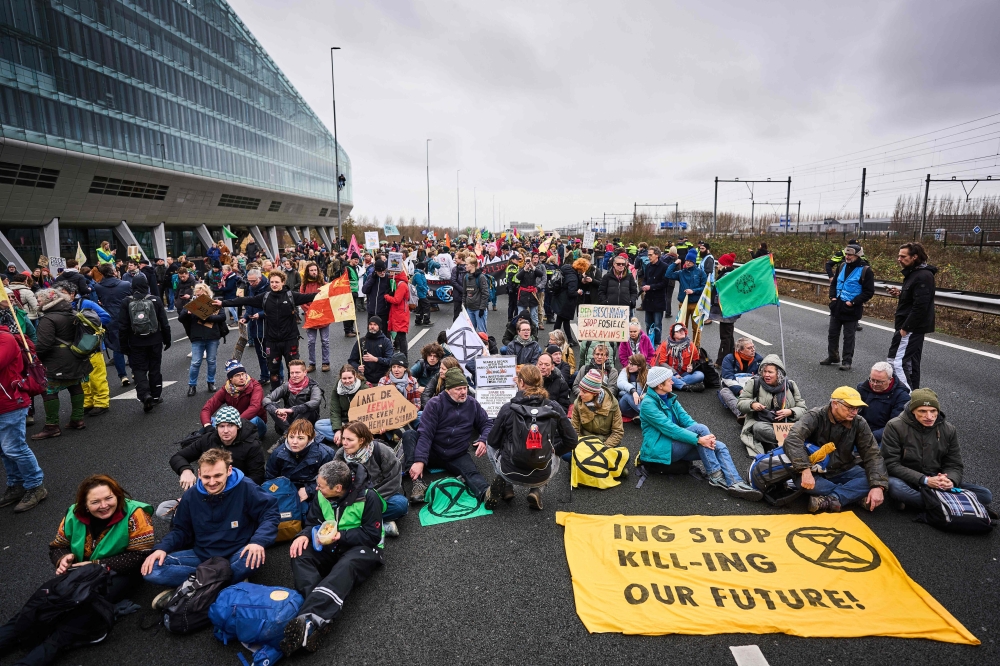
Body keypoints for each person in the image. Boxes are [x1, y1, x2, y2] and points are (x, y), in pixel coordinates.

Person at [0, 475, 153, 665]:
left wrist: (96, 565)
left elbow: (142, 556)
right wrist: (62, 559)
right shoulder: (73, 513)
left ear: (118, 495)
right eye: (95, 502)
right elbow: (57, 546)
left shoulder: (135, 514)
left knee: (77, 617)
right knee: (36, 608)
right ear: (85, 504)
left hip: (120, 574)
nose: (104, 505)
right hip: (79, 573)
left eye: (109, 498)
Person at [143, 447, 279, 598]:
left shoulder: (246, 487)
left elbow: (270, 513)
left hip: (236, 552)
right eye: (207, 477)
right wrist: (162, 548)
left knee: (253, 558)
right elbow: (180, 530)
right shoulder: (190, 496)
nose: (212, 482)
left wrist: (258, 541)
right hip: (203, 555)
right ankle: (223, 586)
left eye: (218, 475)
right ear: (199, 474)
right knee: (152, 569)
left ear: (229, 470)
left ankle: (192, 590)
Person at [282, 460, 383, 655]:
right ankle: (313, 621)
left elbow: (372, 536)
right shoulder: (321, 494)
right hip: (330, 544)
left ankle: (310, 620)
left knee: (346, 565)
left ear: (338, 488)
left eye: (320, 486)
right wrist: (303, 535)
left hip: (362, 547)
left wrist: (341, 536)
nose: (316, 488)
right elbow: (313, 521)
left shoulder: (370, 498)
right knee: (299, 553)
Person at [638, 366, 762, 500]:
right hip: (660, 449)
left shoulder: (670, 398)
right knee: (701, 430)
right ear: (660, 385)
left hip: (674, 444)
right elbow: (670, 429)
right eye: (669, 380)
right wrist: (699, 439)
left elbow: (688, 421)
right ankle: (715, 475)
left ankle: (735, 482)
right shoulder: (648, 404)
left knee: (719, 446)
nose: (673, 382)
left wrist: (706, 439)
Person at [881, 388, 994, 512]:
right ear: (913, 411)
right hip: (908, 479)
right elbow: (891, 464)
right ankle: (955, 505)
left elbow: (954, 464)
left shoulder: (948, 429)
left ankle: (926, 504)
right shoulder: (895, 426)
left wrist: (950, 480)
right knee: (896, 488)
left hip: (937, 479)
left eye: (933, 411)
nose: (929, 416)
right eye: (922, 411)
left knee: (985, 494)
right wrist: (925, 480)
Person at [485, 365, 577, 511]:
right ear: (540, 382)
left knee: (488, 442)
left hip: (510, 471)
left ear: (520, 383)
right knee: (554, 454)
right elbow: (572, 440)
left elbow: (492, 441)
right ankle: (537, 490)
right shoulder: (554, 407)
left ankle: (506, 485)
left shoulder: (508, 408)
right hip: (542, 473)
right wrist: (554, 450)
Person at [783, 387, 888, 514]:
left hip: (844, 468)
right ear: (835, 404)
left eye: (857, 408)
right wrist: (804, 469)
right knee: (806, 484)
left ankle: (832, 499)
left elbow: (873, 454)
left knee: (877, 481)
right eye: (850, 407)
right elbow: (792, 439)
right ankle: (854, 497)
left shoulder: (859, 422)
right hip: (815, 470)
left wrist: (878, 486)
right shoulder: (815, 416)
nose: (854, 412)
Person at [403, 367, 493, 503]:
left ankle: (487, 495)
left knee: (472, 473)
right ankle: (418, 484)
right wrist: (419, 461)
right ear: (448, 389)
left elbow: (487, 424)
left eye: (465, 388)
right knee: (409, 435)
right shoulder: (434, 404)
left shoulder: (472, 403)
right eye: (458, 389)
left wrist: (483, 439)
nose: (463, 392)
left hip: (456, 453)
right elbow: (426, 434)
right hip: (433, 451)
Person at [218, 271, 318, 390]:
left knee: (294, 369)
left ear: (282, 282)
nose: (274, 284)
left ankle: (295, 391)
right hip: (272, 341)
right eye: (272, 282)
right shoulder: (265, 297)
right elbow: (245, 300)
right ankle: (276, 393)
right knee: (273, 371)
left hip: (290, 340)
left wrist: (327, 292)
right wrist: (222, 303)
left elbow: (311, 297)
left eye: (277, 282)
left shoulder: (291, 296)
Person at [0, 306, 47, 512]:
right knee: (4, 450)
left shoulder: (5, 339)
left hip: (11, 401)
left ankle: (35, 486)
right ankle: (16, 484)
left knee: (13, 447)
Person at [32, 289, 93, 439]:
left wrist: (35, 357)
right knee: (75, 385)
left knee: (49, 391)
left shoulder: (49, 319)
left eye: (39, 300)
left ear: (47, 301)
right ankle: (77, 419)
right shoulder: (72, 312)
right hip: (76, 355)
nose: (37, 303)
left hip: (56, 361)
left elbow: (44, 344)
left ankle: (52, 426)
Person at [333, 421, 406, 536]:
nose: (344, 443)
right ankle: (378, 525)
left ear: (361, 440)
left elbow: (394, 479)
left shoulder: (380, 450)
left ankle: (355, 524)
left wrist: (372, 500)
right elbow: (336, 481)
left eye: (350, 440)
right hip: (353, 499)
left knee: (400, 505)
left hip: (382, 496)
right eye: (343, 438)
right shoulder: (341, 455)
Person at [52, 281, 112, 418]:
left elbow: (106, 317)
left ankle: (101, 402)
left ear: (72, 294)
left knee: (97, 376)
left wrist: (85, 323)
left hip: (90, 346)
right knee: (82, 378)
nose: (59, 296)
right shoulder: (60, 307)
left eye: (63, 293)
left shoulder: (86, 304)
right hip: (74, 348)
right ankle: (87, 402)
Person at [885, 242, 936, 390]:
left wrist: (906, 328)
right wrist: (901, 294)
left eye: (903, 256)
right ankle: (915, 396)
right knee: (911, 363)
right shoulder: (914, 273)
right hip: (911, 325)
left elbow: (921, 306)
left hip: (910, 327)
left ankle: (907, 398)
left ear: (915, 257)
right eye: (898, 256)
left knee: (896, 361)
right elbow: (916, 298)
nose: (899, 259)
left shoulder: (923, 276)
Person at [117, 273, 171, 413]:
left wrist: (123, 345)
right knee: (154, 368)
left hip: (135, 342)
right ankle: (156, 395)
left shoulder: (126, 302)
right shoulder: (155, 300)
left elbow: (122, 326)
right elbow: (164, 323)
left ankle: (144, 394)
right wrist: (167, 339)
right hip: (155, 340)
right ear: (146, 286)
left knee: (139, 369)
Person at [736, 354, 808, 455]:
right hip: (763, 422)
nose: (766, 375)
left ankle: (779, 443)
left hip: (786, 423)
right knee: (758, 429)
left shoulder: (790, 385)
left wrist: (791, 412)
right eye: (764, 371)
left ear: (778, 373)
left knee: (809, 427)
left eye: (770, 372)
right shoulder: (754, 383)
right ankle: (791, 443)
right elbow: (741, 402)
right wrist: (752, 404)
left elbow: (803, 408)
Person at [820, 245, 874, 372]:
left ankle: (847, 361)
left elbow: (869, 292)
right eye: (846, 254)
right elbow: (834, 284)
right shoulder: (842, 266)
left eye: (850, 255)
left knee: (848, 337)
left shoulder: (866, 270)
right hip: (837, 306)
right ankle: (833, 356)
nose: (847, 257)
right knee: (832, 334)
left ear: (858, 256)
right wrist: (832, 297)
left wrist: (853, 302)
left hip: (852, 309)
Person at [265, 418, 335, 507]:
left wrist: (309, 490)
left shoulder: (325, 453)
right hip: (287, 489)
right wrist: (280, 492)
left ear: (310, 439)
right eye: (291, 437)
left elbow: (330, 481)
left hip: (314, 489)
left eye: (300, 438)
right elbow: (270, 477)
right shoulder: (278, 453)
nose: (294, 442)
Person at [178, 283, 226, 396]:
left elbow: (222, 317)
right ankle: (192, 385)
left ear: (207, 294)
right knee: (195, 362)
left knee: (211, 361)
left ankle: (211, 382)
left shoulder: (214, 303)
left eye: (201, 294)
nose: (199, 297)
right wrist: (187, 312)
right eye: (197, 294)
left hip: (212, 336)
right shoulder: (193, 304)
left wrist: (206, 317)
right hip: (197, 336)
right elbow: (181, 318)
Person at [201, 360, 267, 438]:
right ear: (230, 379)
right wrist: (207, 425)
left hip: (253, 422)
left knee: (254, 420)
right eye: (237, 375)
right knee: (210, 420)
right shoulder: (226, 389)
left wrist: (235, 423)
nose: (242, 377)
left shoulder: (255, 386)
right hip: (233, 423)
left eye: (243, 374)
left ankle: (232, 439)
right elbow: (207, 408)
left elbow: (254, 407)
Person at [93, 264, 133, 387]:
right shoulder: (125, 284)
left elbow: (96, 302)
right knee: (131, 345)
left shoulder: (98, 287)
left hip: (110, 319)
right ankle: (135, 372)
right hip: (126, 317)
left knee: (117, 348)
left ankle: (123, 376)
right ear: (114, 272)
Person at [264, 359, 323, 436]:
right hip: (289, 418)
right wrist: (276, 411)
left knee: (309, 407)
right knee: (271, 404)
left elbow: (316, 401)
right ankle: (290, 431)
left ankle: (289, 433)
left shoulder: (313, 387)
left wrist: (293, 410)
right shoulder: (286, 386)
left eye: (297, 372)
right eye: (292, 373)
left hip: (306, 420)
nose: (294, 375)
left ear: (305, 372)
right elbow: (266, 399)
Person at [855, 362, 910, 444]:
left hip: (883, 436)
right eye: (872, 380)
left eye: (880, 382)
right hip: (861, 430)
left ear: (890, 380)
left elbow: (895, 426)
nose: (874, 384)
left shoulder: (902, 397)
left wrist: (869, 436)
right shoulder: (862, 388)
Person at [315, 365, 371, 445]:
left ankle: (344, 439)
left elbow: (368, 411)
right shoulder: (337, 388)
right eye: (344, 378)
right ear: (340, 378)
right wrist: (337, 430)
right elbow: (335, 411)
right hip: (344, 421)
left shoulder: (364, 388)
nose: (347, 381)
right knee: (318, 424)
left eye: (350, 378)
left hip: (359, 422)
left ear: (355, 376)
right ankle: (349, 440)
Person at [572, 368, 625, 446]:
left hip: (605, 441)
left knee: (626, 457)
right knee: (566, 454)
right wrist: (582, 446)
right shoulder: (578, 403)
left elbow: (617, 432)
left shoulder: (612, 404)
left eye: (584, 392)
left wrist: (603, 448)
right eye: (580, 390)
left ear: (595, 393)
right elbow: (574, 429)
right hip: (584, 441)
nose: (580, 394)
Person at [664, 249, 708, 338]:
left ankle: (696, 348)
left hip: (696, 304)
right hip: (683, 303)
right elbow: (668, 274)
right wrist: (675, 263)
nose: (688, 263)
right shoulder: (681, 273)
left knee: (696, 328)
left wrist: (694, 291)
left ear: (694, 262)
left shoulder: (700, 273)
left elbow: (705, 287)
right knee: (682, 327)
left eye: (691, 261)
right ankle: (684, 345)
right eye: (687, 261)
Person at [717, 337, 762, 418]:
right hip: (735, 389)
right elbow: (727, 378)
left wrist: (751, 390)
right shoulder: (729, 359)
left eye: (753, 347)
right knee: (724, 392)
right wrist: (740, 391)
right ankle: (742, 414)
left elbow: (761, 377)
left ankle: (761, 411)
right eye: (749, 348)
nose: (753, 350)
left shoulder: (759, 360)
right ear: (740, 350)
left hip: (752, 388)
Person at [653, 322, 704, 392]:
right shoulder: (666, 345)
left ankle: (675, 383)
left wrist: (692, 366)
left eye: (683, 330)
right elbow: (662, 362)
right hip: (670, 373)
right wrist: (675, 373)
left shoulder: (691, 345)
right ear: (673, 335)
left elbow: (696, 360)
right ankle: (685, 386)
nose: (682, 332)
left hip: (685, 373)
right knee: (663, 376)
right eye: (678, 331)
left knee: (700, 375)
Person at [708, 253, 740, 365]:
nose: (717, 266)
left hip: (727, 310)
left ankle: (723, 360)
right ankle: (731, 357)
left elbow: (724, 293)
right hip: (730, 309)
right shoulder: (730, 274)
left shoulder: (726, 276)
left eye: (719, 264)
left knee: (725, 336)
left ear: (725, 265)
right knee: (729, 335)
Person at [300, 262, 330, 373]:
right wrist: (309, 310)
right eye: (311, 270)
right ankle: (312, 364)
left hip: (323, 317)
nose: (314, 272)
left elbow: (328, 299)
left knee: (325, 341)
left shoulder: (324, 284)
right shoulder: (304, 286)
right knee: (311, 341)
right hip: (310, 317)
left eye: (315, 270)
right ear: (308, 272)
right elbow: (301, 300)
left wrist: (320, 310)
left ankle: (326, 363)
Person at [348, 315, 394, 385]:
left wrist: (376, 359)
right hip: (365, 379)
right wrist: (357, 367)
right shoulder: (361, 341)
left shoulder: (386, 342)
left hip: (383, 379)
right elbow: (351, 360)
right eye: (370, 324)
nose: (372, 327)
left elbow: (390, 361)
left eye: (375, 324)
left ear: (379, 327)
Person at [550, 256, 583, 345]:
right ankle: (554, 340)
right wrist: (578, 292)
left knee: (564, 320)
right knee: (561, 320)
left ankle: (569, 339)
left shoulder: (568, 270)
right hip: (566, 302)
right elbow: (571, 292)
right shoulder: (573, 277)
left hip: (560, 298)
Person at [640, 247, 668, 344]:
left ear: (657, 255)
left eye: (650, 255)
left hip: (658, 299)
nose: (649, 257)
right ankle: (649, 343)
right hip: (648, 299)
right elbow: (645, 278)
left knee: (657, 325)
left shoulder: (664, 267)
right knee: (648, 323)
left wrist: (651, 287)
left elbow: (664, 283)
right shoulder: (648, 266)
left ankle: (656, 343)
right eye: (648, 255)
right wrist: (643, 285)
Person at [383, 268, 411, 355]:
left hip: (400, 312)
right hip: (400, 311)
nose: (390, 273)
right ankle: (403, 355)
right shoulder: (399, 283)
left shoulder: (401, 285)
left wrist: (387, 296)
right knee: (400, 335)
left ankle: (404, 356)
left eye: (392, 272)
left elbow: (396, 300)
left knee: (401, 336)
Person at [617, 353, 649, 421]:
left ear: (640, 366)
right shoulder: (624, 371)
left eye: (632, 364)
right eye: (629, 363)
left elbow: (654, 389)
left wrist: (645, 395)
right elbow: (620, 382)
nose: (629, 366)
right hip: (626, 406)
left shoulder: (647, 373)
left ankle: (640, 416)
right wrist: (633, 391)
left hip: (642, 403)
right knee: (627, 395)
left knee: (651, 397)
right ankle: (649, 416)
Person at [411, 261, 431, 326]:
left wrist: (427, 288)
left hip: (420, 293)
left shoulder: (420, 274)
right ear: (423, 268)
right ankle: (426, 320)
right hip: (420, 293)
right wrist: (426, 290)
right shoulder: (418, 275)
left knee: (419, 307)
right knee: (426, 305)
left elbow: (424, 284)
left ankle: (418, 320)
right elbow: (420, 285)